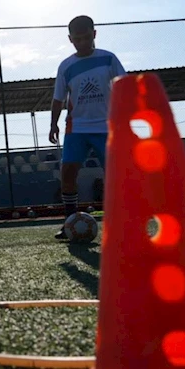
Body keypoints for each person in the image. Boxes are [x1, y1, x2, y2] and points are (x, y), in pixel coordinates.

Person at [49, 15, 127, 240]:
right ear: (70, 39)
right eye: (77, 39)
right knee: (68, 172)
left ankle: (120, 223)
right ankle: (69, 222)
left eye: (86, 38)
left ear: (94, 34)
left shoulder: (109, 59)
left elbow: (124, 86)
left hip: (107, 127)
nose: (82, 43)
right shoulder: (66, 66)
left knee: (113, 175)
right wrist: (53, 123)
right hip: (77, 128)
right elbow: (58, 99)